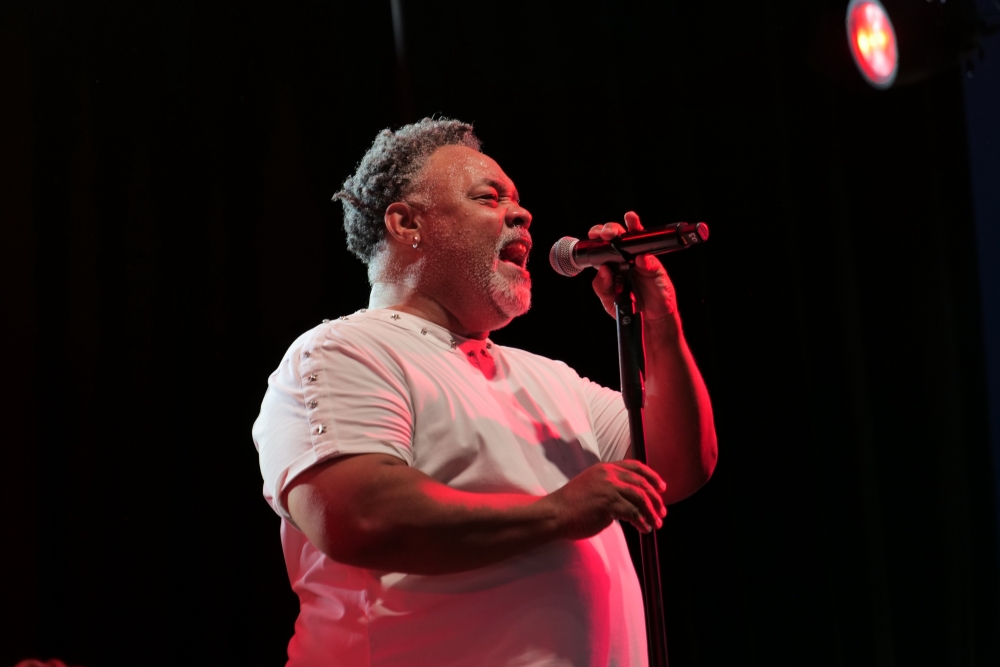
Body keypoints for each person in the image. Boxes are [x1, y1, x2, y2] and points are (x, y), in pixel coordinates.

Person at [252, 118, 717, 667]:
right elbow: (359, 516)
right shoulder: (343, 351)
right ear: (406, 222)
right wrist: (557, 512)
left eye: (516, 200)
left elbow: (677, 464)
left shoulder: (550, 378)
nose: (522, 214)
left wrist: (659, 322)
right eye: (488, 198)